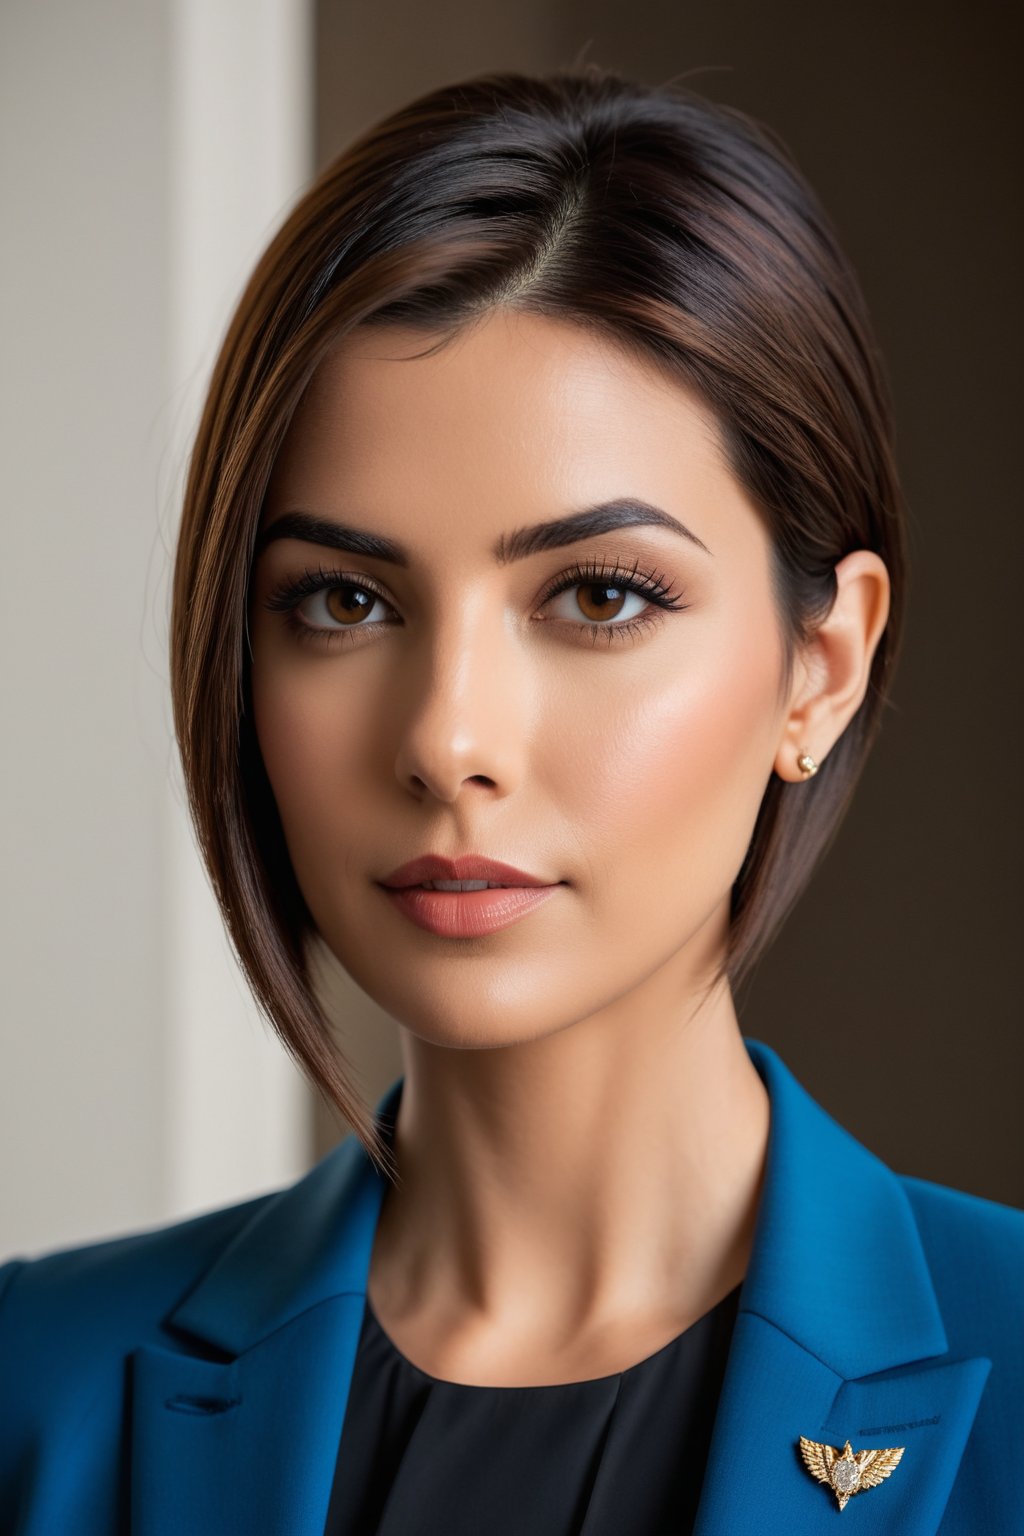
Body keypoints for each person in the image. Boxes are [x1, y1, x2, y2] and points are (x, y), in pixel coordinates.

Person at [0, 65, 1019, 1536]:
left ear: (822, 663)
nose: (446, 737)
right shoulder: (36, 1389)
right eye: (343, 600)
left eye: (598, 596)